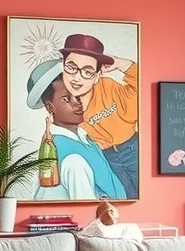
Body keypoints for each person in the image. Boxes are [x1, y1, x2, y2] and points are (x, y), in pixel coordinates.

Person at [26, 59, 126, 201]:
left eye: (78, 96)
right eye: (66, 99)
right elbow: (85, 207)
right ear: (50, 108)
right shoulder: (66, 154)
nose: (78, 104)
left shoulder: (85, 138)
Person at [59, 34, 138, 198]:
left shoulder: (108, 87)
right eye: (72, 67)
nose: (77, 77)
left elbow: (143, 87)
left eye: (87, 71)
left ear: (97, 75)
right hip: (106, 158)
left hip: (133, 148)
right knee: (124, 198)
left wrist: (121, 63)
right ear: (63, 66)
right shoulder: (60, 101)